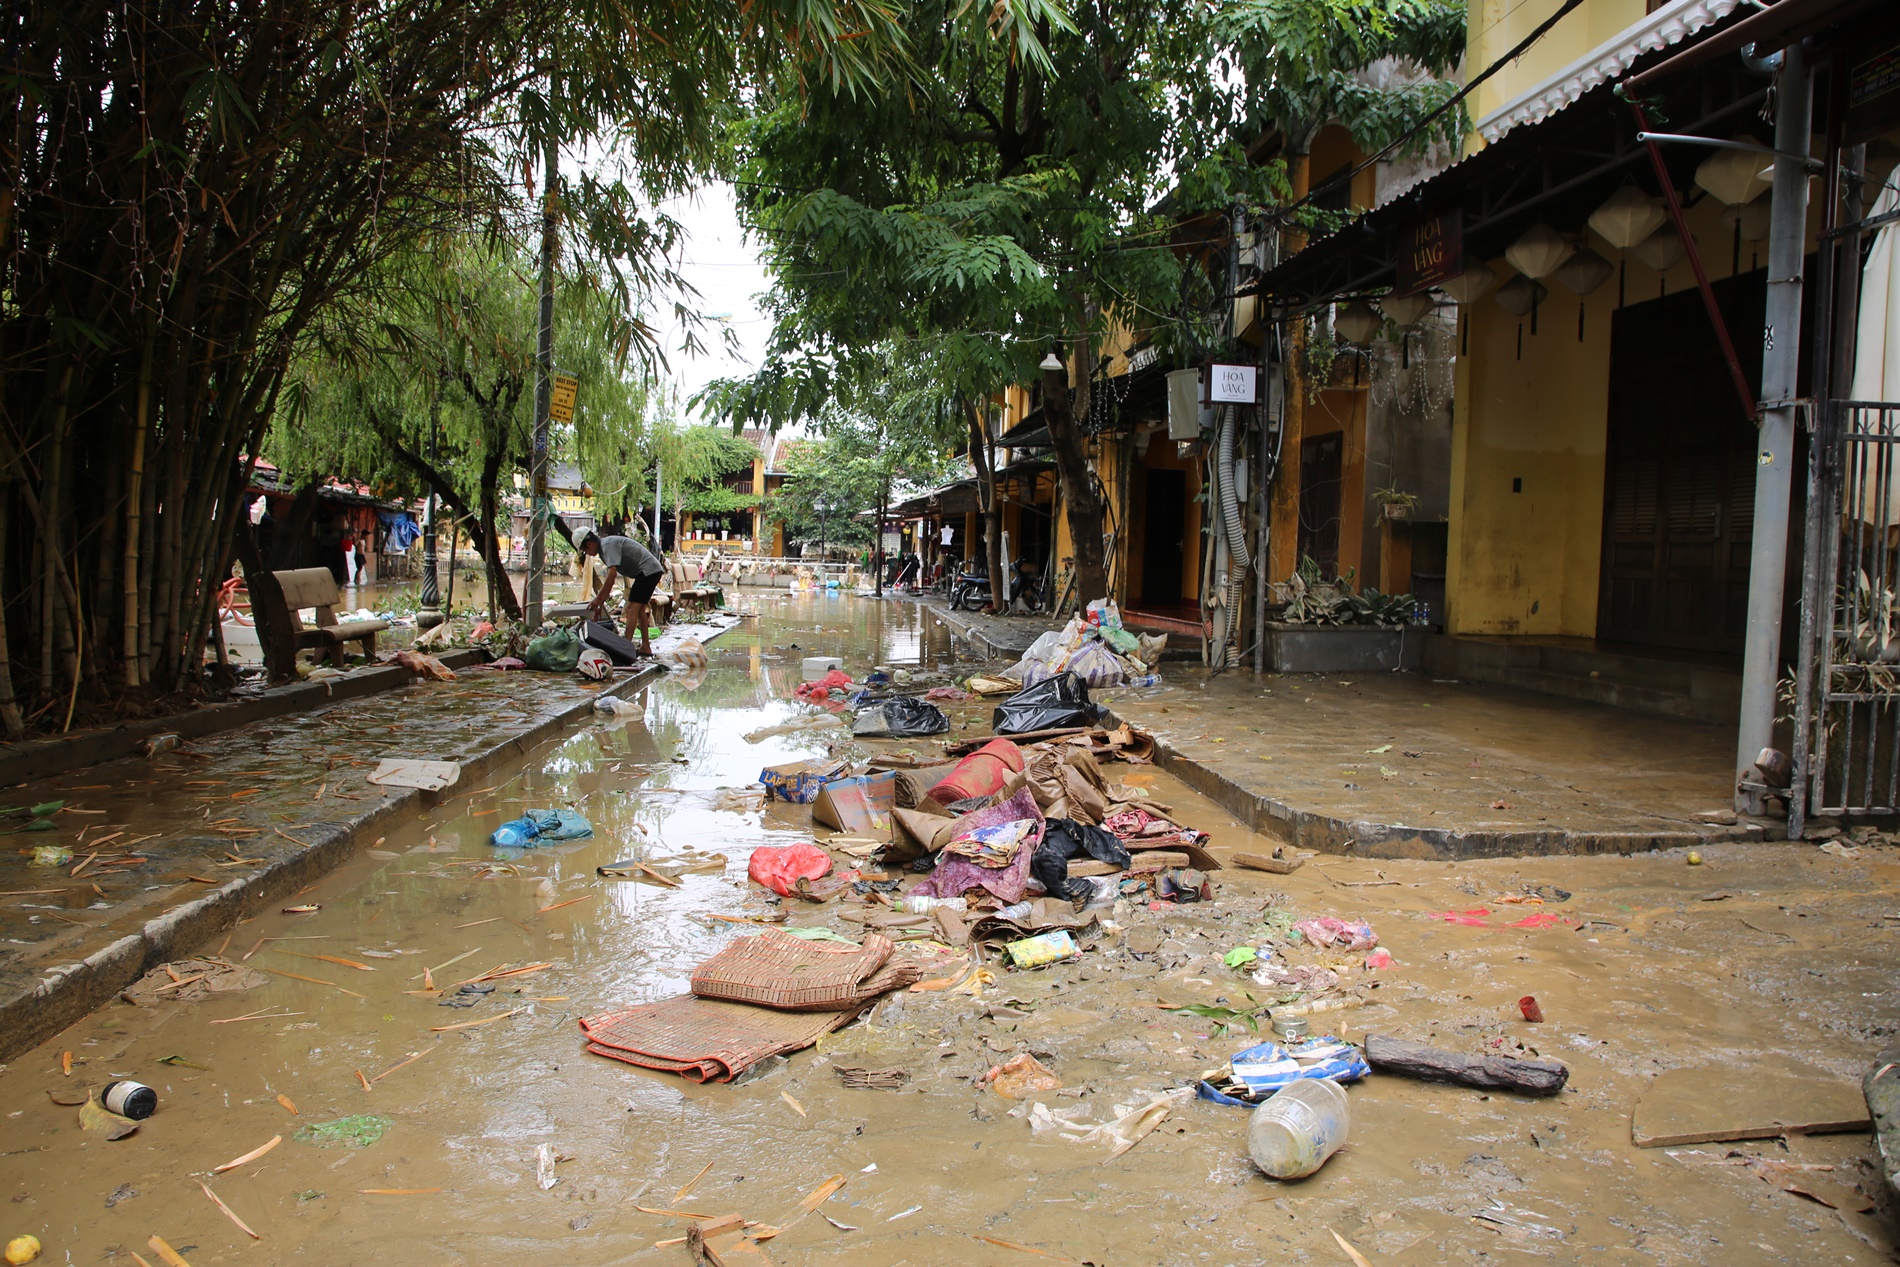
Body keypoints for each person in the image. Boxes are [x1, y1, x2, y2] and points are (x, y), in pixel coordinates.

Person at [576, 528, 665, 657]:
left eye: (585, 551)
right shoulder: (604, 548)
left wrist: (597, 601)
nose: (588, 554)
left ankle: (624, 648)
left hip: (647, 571)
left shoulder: (606, 546)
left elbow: (611, 577)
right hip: (650, 570)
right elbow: (610, 580)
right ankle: (645, 646)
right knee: (639, 610)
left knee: (630, 609)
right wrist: (600, 603)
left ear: (589, 544)